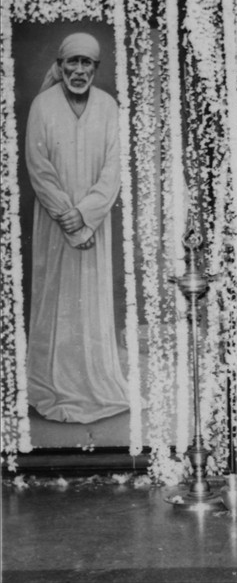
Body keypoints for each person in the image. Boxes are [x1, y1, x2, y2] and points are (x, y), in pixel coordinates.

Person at [25, 32, 129, 422]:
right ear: (61, 64)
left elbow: (113, 169)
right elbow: (39, 168)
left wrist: (85, 216)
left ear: (95, 68)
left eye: (87, 63)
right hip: (54, 224)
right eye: (73, 62)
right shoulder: (42, 105)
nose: (79, 70)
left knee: (91, 301)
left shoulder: (108, 106)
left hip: (94, 223)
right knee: (57, 301)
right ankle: (53, 383)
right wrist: (67, 217)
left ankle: (93, 383)